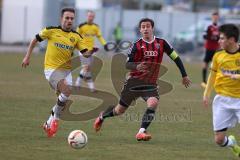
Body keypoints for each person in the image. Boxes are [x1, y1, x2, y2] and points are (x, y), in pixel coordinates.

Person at [94, 18, 191, 141]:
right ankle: (102, 116)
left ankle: (141, 132)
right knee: (119, 110)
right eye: (143, 27)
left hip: (150, 84)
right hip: (133, 83)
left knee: (153, 103)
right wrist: (136, 66)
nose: (145, 28)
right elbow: (127, 64)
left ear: (152, 28)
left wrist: (184, 75)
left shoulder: (161, 43)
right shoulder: (137, 45)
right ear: (140, 30)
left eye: (148, 26)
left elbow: (176, 58)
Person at [22, 8, 96, 138]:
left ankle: (47, 123)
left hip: (67, 71)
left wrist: (91, 52)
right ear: (61, 18)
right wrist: (27, 57)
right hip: (51, 69)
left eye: (72, 18)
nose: (69, 21)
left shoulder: (76, 36)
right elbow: (34, 40)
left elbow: (85, 53)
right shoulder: (51, 30)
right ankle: (55, 120)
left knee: (63, 102)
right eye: (67, 18)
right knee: (66, 91)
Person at [203, 24, 240, 157]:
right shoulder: (218, 55)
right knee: (219, 140)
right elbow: (212, 75)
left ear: (232, 39)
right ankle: (232, 144)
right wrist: (206, 94)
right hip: (222, 100)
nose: (219, 41)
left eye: (222, 38)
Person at [75, 10, 108, 92]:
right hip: (83, 49)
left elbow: (99, 36)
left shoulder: (96, 27)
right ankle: (78, 83)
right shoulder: (81, 26)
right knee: (86, 67)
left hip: (91, 50)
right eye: (89, 16)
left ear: (94, 17)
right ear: (86, 16)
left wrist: (105, 44)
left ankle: (91, 87)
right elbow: (75, 36)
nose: (91, 18)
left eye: (92, 16)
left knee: (88, 69)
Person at [201, 12, 220, 88]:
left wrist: (217, 38)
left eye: (216, 17)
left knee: (216, 65)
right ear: (212, 17)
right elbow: (204, 36)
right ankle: (203, 81)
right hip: (209, 48)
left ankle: (215, 81)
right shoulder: (208, 26)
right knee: (206, 63)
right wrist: (212, 37)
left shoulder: (219, 27)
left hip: (216, 49)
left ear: (218, 18)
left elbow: (221, 37)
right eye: (214, 17)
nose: (215, 18)